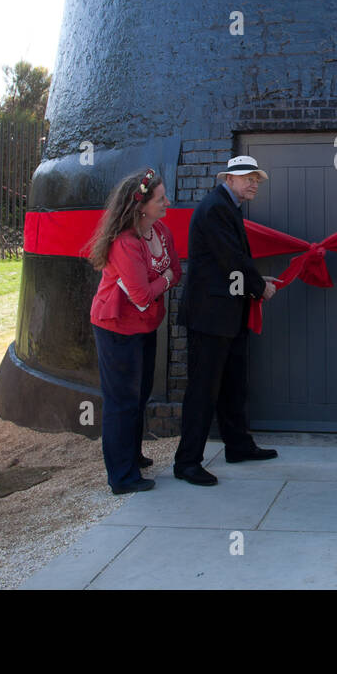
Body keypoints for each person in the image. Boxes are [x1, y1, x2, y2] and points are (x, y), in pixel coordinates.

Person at [173, 155, 279, 486]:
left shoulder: (225, 205)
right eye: (247, 177)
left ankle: (237, 445)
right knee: (203, 389)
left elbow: (231, 262)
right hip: (210, 316)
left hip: (227, 313)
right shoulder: (217, 207)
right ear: (228, 179)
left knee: (233, 382)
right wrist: (260, 287)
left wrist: (256, 283)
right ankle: (187, 462)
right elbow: (231, 259)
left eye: (257, 179)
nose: (253, 183)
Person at [87, 167, 182, 494]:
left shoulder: (161, 232)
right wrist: (164, 278)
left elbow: (177, 270)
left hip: (144, 323)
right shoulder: (125, 243)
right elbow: (143, 293)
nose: (167, 202)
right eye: (160, 198)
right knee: (121, 400)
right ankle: (121, 476)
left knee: (139, 394)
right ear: (140, 205)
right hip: (116, 327)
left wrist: (162, 280)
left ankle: (132, 455)